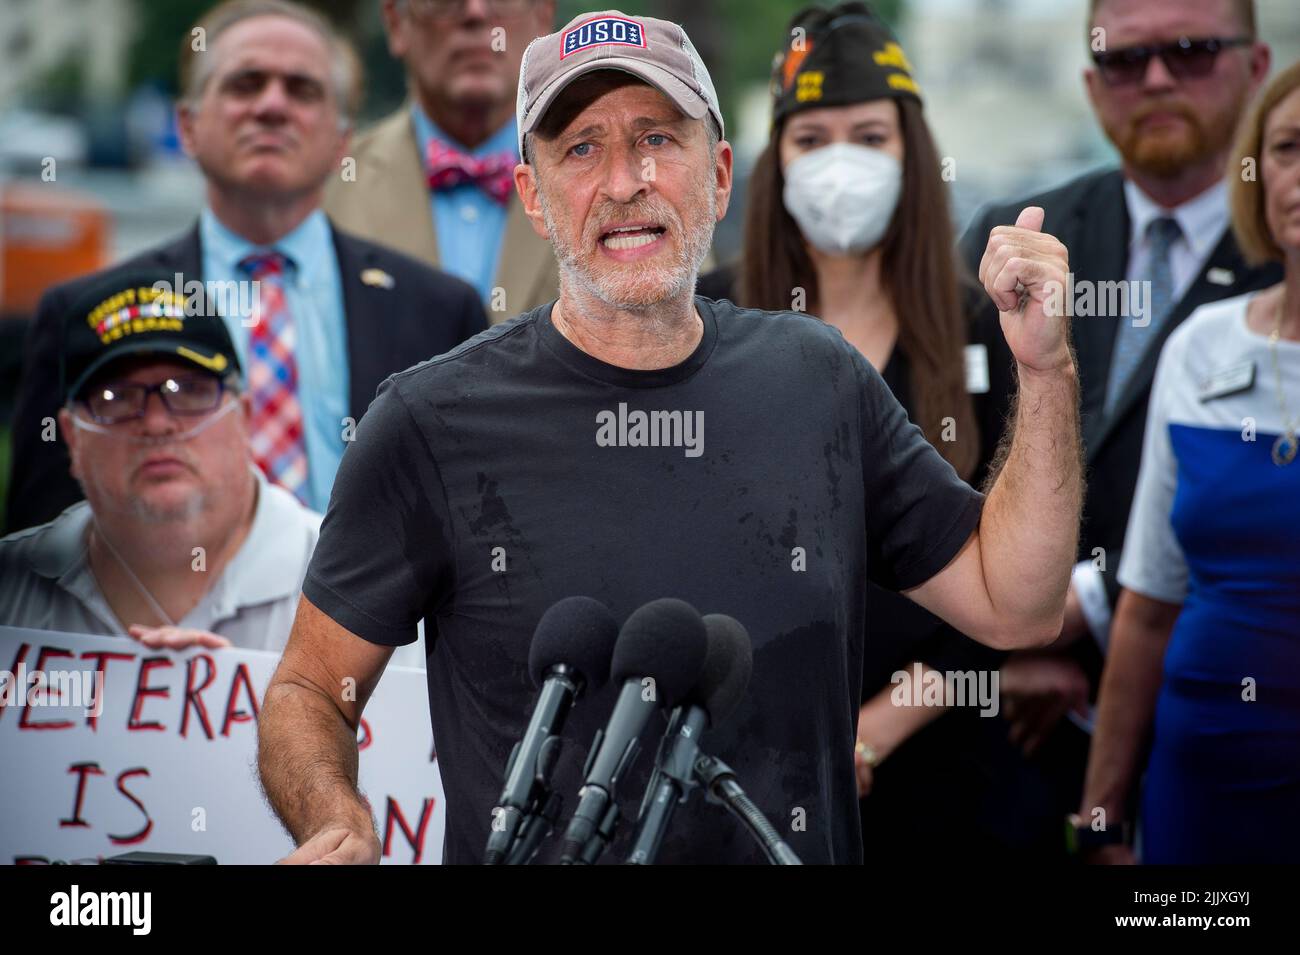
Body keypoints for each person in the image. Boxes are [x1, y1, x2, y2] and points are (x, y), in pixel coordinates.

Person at [258, 9, 1082, 866]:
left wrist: (1048, 372)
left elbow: (1016, 601)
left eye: (658, 136)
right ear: (533, 197)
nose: (625, 181)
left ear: (720, 176)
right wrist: (337, 816)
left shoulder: (820, 381)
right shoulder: (429, 421)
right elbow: (310, 687)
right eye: (580, 147)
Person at [958, 0, 1278, 858]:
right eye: (1127, 61)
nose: (1160, 78)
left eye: (1193, 50)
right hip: (1006, 749)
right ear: (1093, 88)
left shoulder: (1286, 263)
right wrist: (1015, 626)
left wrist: (1076, 612)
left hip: (1227, 729)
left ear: (1256, 68)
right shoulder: (1018, 236)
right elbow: (951, 454)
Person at [697, 3, 1016, 857]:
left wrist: (869, 734)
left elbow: (1015, 566)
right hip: (741, 764)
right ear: (773, 161)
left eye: (869, 136)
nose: (840, 164)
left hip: (940, 780)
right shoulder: (708, 318)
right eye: (811, 139)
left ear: (913, 151)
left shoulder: (983, 329)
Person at [7, 0, 487, 532]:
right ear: (187, 126)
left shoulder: (442, 311)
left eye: (302, 89)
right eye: (245, 84)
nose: (272, 106)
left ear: (342, 142)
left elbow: (474, 522)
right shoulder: (83, 313)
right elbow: (40, 544)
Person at [1080, 61, 1300, 864]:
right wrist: (1100, 817)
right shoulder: (1202, 343)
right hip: (1197, 784)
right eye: (1287, 147)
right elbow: (1146, 606)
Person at [0, 272, 317, 652]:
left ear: (245, 417)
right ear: (71, 438)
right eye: (115, 397)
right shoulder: (12, 586)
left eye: (189, 391)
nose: (156, 423)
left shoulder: (360, 581)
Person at [324, 0, 559, 319]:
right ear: (396, 23)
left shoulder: (603, 180)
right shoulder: (323, 188)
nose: (475, 12)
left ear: (543, 15)